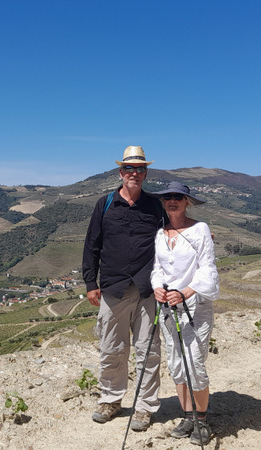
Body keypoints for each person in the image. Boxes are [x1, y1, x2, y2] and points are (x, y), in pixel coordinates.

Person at [82, 145, 166, 432]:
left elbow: (173, 233)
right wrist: (90, 283)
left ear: (145, 173)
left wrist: (199, 232)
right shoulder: (104, 204)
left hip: (146, 289)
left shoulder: (156, 205)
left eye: (140, 169)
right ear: (121, 172)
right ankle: (110, 400)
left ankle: (144, 408)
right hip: (113, 288)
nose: (134, 173)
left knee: (148, 350)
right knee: (111, 349)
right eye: (129, 168)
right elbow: (92, 244)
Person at [149, 181, 219, 446]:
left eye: (178, 197)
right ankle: (188, 415)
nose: (172, 201)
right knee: (177, 363)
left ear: (187, 201)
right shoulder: (160, 232)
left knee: (193, 362)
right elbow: (157, 268)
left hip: (195, 308)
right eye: (168, 197)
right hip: (168, 309)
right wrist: (157, 287)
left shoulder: (200, 230)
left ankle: (201, 420)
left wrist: (187, 291)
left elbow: (207, 268)